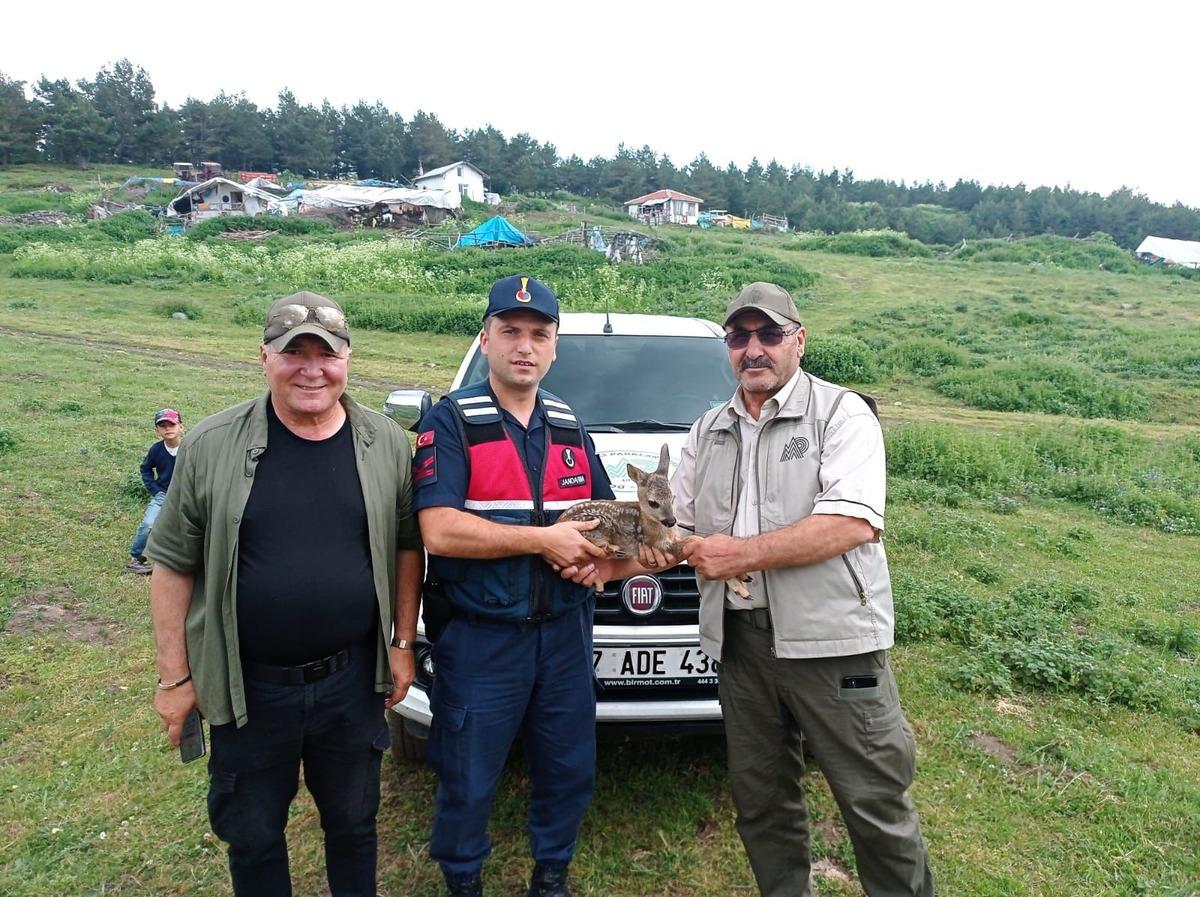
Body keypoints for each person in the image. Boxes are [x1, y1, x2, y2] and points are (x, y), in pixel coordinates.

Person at [145, 291, 423, 897]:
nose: (311, 370)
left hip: (351, 682)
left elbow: (408, 546)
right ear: (264, 357)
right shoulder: (210, 444)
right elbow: (171, 565)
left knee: (354, 824)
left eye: (327, 354)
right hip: (248, 685)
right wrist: (174, 679)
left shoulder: (385, 443)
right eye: (294, 353)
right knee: (252, 836)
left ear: (347, 359)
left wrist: (402, 642)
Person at [675, 282, 935, 897]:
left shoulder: (842, 414)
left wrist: (739, 553)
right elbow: (679, 531)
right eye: (739, 337)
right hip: (741, 645)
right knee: (761, 803)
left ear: (799, 340)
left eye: (769, 334)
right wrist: (607, 560)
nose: (753, 349)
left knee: (873, 803)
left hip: (833, 646)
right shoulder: (708, 430)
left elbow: (851, 523)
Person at [415, 274, 661, 897]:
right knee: (467, 773)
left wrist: (600, 563)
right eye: (510, 332)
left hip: (565, 634)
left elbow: (608, 521)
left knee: (568, 766)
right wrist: (544, 540)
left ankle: (552, 876)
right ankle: (463, 881)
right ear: (486, 339)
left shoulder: (570, 424)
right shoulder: (451, 421)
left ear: (554, 347)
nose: (524, 346)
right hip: (482, 637)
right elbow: (439, 529)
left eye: (539, 334)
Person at [124, 408, 184, 575]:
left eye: (172, 424)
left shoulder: (190, 448)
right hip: (162, 495)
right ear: (157, 430)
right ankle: (137, 558)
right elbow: (145, 469)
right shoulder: (156, 450)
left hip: (185, 496)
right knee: (148, 524)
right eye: (162, 426)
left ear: (181, 427)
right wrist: (155, 490)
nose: (168, 429)